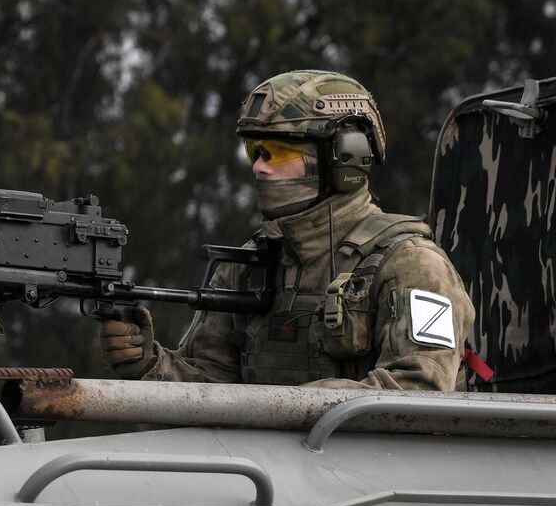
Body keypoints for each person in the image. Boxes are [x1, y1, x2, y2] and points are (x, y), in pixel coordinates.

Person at [100, 70, 474, 390]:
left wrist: (288, 408)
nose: (259, 168)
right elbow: (209, 388)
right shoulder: (250, 265)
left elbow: (417, 390)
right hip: (265, 472)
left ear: (345, 157)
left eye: (276, 153)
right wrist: (149, 364)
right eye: (254, 152)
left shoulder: (412, 266)